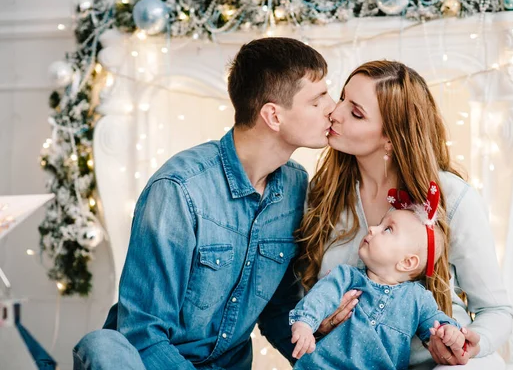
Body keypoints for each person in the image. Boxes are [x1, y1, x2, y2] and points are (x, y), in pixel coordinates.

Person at [72, 37, 358, 370]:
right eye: (317, 99)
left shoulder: (295, 185)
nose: (333, 108)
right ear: (273, 116)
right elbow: (142, 334)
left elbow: (278, 309)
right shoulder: (180, 190)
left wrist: (314, 334)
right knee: (102, 345)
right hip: (151, 363)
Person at [297, 60, 513, 369]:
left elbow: (497, 310)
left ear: (390, 137)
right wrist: (316, 325)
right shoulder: (323, 192)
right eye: (342, 97)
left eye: (356, 112)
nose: (335, 113)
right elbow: (303, 295)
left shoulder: (451, 198)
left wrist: (468, 343)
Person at [290, 184, 469, 369]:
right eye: (380, 224)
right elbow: (321, 297)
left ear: (407, 262)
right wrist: (305, 323)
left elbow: (436, 322)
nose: (372, 229)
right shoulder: (346, 276)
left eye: (388, 229)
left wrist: (449, 331)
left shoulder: (417, 299)